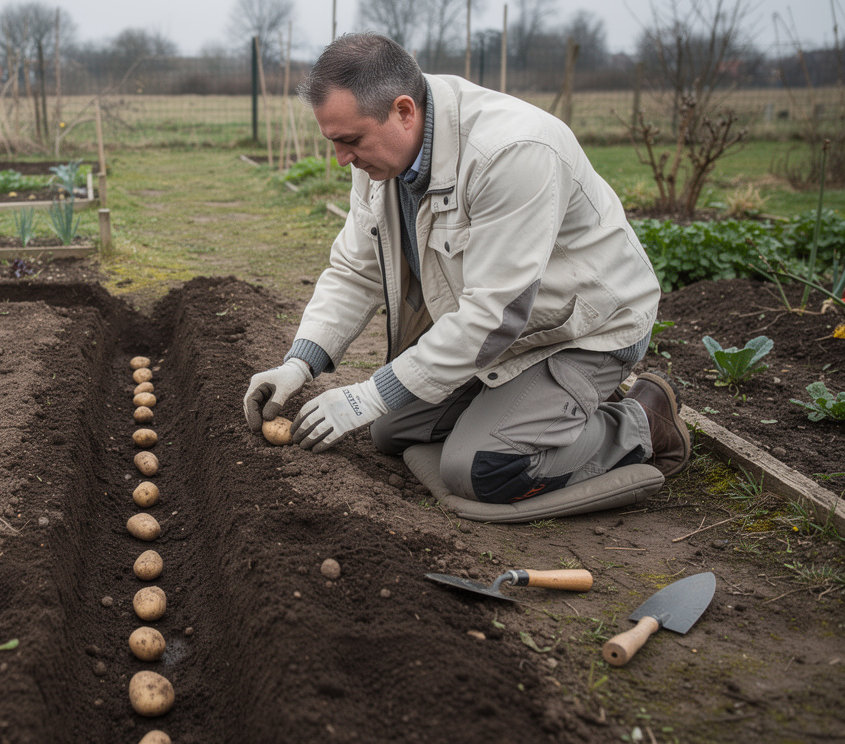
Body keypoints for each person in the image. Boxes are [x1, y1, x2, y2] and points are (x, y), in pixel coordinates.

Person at [243, 34, 690, 509]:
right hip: (508, 333)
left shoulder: (511, 152)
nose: (342, 158)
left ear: (404, 111)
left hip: (583, 328)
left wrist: (370, 393)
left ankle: (643, 420)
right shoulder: (379, 158)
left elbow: (495, 313)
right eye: (334, 141)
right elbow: (356, 269)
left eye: (350, 141)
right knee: (391, 430)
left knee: (483, 470)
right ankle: (540, 413)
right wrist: (300, 362)